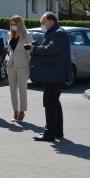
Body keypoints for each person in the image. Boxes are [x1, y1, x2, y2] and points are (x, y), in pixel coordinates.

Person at [27, 12, 72, 142]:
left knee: (49, 103)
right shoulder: (52, 32)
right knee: (54, 103)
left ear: (51, 21)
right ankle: (57, 131)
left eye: (43, 22)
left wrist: (34, 49)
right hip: (51, 75)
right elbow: (46, 47)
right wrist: (36, 46)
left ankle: (49, 134)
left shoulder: (59, 33)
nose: (42, 25)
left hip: (55, 75)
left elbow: (50, 50)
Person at [6, 15, 31, 121]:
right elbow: (10, 49)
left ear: (20, 24)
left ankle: (22, 112)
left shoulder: (27, 34)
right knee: (12, 90)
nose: (13, 26)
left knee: (22, 90)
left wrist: (28, 61)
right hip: (10, 64)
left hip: (22, 65)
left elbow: (30, 51)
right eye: (11, 24)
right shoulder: (9, 34)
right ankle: (15, 111)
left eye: (15, 24)